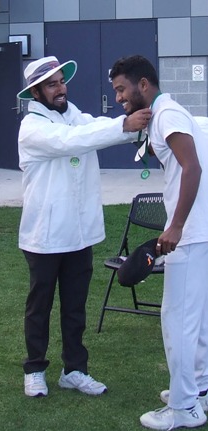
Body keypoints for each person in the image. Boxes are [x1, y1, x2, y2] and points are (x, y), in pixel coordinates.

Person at [17, 56, 151, 398]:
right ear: (35, 92)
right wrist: (123, 125)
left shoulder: (75, 115)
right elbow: (72, 141)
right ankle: (34, 368)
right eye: (52, 84)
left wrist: (140, 125)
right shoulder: (33, 127)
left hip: (78, 234)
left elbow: (93, 129)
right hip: (45, 235)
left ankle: (75, 370)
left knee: (75, 306)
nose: (60, 89)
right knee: (40, 306)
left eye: (62, 81)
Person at [110, 55, 208, 430]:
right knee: (196, 320)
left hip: (191, 231)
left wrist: (177, 225)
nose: (119, 97)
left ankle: (183, 409)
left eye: (121, 89)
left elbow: (192, 167)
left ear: (143, 85)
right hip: (200, 231)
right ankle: (197, 391)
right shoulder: (168, 114)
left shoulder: (168, 115)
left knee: (178, 320)